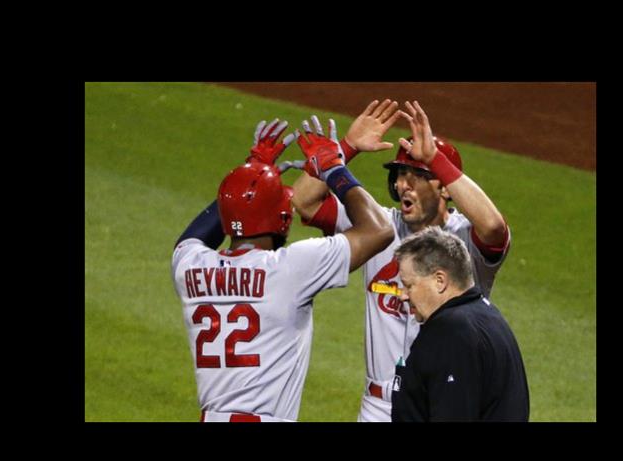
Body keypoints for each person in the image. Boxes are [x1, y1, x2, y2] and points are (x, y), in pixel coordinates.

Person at [291, 100, 512, 422]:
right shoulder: (377, 227)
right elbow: (304, 201)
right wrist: (347, 146)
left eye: (417, 175)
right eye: (400, 174)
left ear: (444, 187)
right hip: (379, 406)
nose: (402, 184)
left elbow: (494, 227)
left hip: (445, 402)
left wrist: (436, 160)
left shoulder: (465, 239)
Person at [171, 116, 393, 422]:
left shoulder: (190, 267)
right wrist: (334, 169)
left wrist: (251, 171)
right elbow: (380, 229)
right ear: (282, 219)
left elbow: (192, 237)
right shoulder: (290, 269)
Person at [389, 227, 529, 421]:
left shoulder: (451, 332)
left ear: (439, 281)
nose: (403, 295)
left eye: (408, 285)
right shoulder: (487, 315)